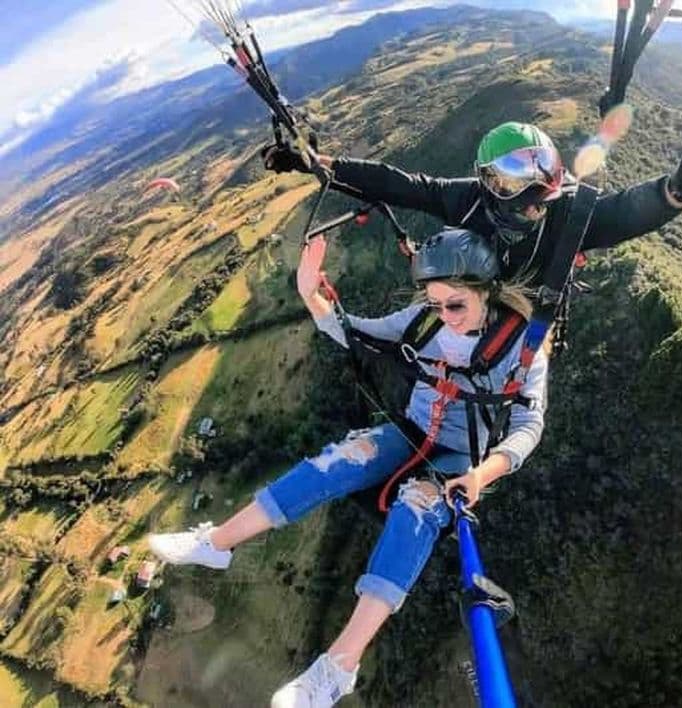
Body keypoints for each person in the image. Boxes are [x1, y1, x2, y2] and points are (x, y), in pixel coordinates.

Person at [147, 228, 549, 707]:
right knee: (336, 461)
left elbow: (528, 425)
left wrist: (482, 475)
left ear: (486, 291)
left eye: (456, 305)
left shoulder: (524, 345)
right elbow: (355, 333)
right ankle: (216, 544)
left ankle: (339, 667)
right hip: (411, 429)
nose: (445, 316)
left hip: (462, 456)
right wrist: (310, 294)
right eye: (436, 304)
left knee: (416, 509)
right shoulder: (424, 320)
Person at [262, 120, 682, 284]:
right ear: (491, 184)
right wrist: (315, 163)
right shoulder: (468, 200)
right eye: (518, 185)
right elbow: (398, 184)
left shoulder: (567, 211)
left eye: (541, 190)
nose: (536, 205)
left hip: (527, 304)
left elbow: (624, 213)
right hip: (474, 297)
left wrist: (679, 188)